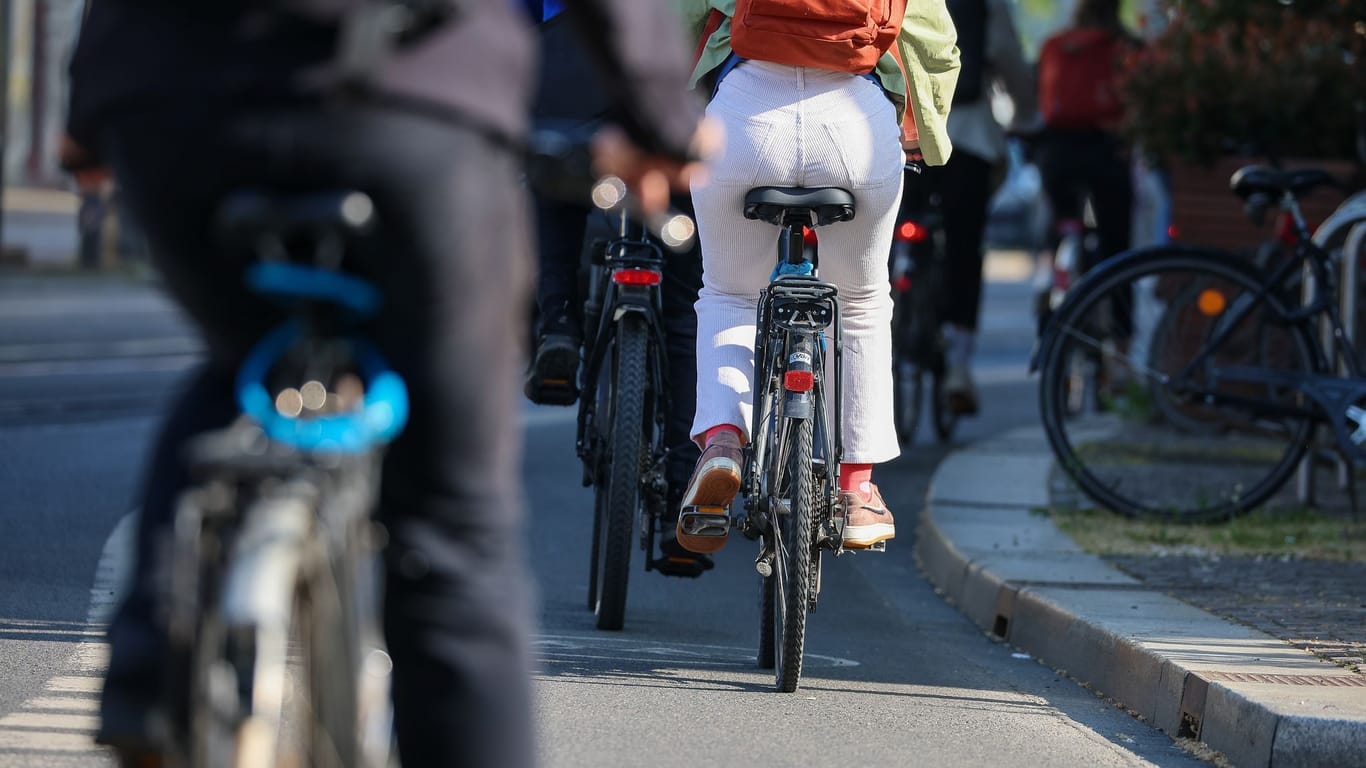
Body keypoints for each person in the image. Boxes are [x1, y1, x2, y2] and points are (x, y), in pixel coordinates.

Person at [63, 1, 707, 766]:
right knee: (451, 530)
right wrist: (664, 118)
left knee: (243, 356)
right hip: (418, 106)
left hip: (176, 105)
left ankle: (146, 669)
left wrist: (91, 99)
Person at [672, 0, 960, 554]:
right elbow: (934, 40)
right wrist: (925, 131)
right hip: (856, 124)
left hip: (745, 120)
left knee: (729, 291)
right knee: (861, 303)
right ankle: (857, 491)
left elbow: (678, 19)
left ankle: (724, 440)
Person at [524, 5, 710, 576]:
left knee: (551, 182)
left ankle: (556, 323)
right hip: (675, 72)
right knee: (683, 306)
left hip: (564, 62)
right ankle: (685, 493)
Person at [925, 0, 1037, 416]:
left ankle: (891, 338)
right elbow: (1008, 58)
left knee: (883, 242)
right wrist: (1028, 115)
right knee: (964, 247)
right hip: (967, 138)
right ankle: (958, 363)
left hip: (905, 132)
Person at [1033, 0, 1139, 322]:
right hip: (1106, 150)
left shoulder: (1055, 44)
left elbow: (1038, 99)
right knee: (1117, 245)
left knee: (1059, 225)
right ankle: (1121, 340)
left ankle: (1051, 291)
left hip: (1058, 152)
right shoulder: (1126, 47)